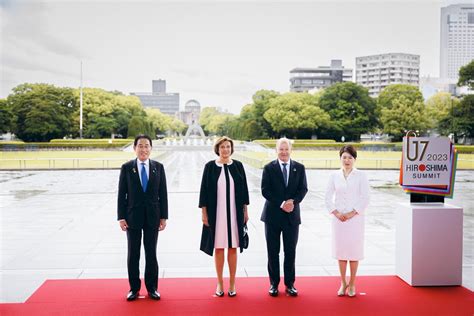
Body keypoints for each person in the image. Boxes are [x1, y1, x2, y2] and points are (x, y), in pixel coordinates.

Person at [117, 134, 168, 301]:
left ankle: (152, 288)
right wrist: (121, 217)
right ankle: (134, 288)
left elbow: (163, 194)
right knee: (133, 254)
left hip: (153, 216)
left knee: (151, 253)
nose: (144, 149)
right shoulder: (127, 167)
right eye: (140, 146)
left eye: (147, 146)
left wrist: (164, 217)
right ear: (135, 148)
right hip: (132, 217)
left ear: (151, 148)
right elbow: (121, 195)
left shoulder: (158, 167)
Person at [199, 136, 250, 297]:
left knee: (233, 247)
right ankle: (220, 283)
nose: (225, 150)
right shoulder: (210, 167)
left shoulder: (238, 166)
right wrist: (204, 213)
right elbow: (204, 192)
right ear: (217, 149)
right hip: (217, 214)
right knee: (219, 247)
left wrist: (245, 211)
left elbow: (244, 190)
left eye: (228, 147)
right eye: (222, 147)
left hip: (235, 213)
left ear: (231, 149)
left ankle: (233, 283)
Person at [261, 137, 308, 297]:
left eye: (286, 149)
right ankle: (274, 284)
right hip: (273, 216)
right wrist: (282, 203)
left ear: (290, 150)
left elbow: (303, 189)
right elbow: (265, 191)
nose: (284, 152)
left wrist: (293, 202)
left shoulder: (299, 168)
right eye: (281, 149)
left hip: (291, 217)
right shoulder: (269, 168)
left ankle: (290, 284)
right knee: (273, 252)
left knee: (290, 252)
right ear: (276, 150)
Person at [325, 145, 369, 297]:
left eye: (350, 157)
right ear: (340, 158)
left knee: (354, 252)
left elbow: (365, 198)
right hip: (338, 220)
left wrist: (351, 213)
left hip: (355, 219)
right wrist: (336, 212)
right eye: (344, 157)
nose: (347, 160)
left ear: (354, 159)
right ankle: (343, 282)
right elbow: (327, 197)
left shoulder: (361, 175)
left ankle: (353, 283)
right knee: (341, 252)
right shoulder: (334, 176)